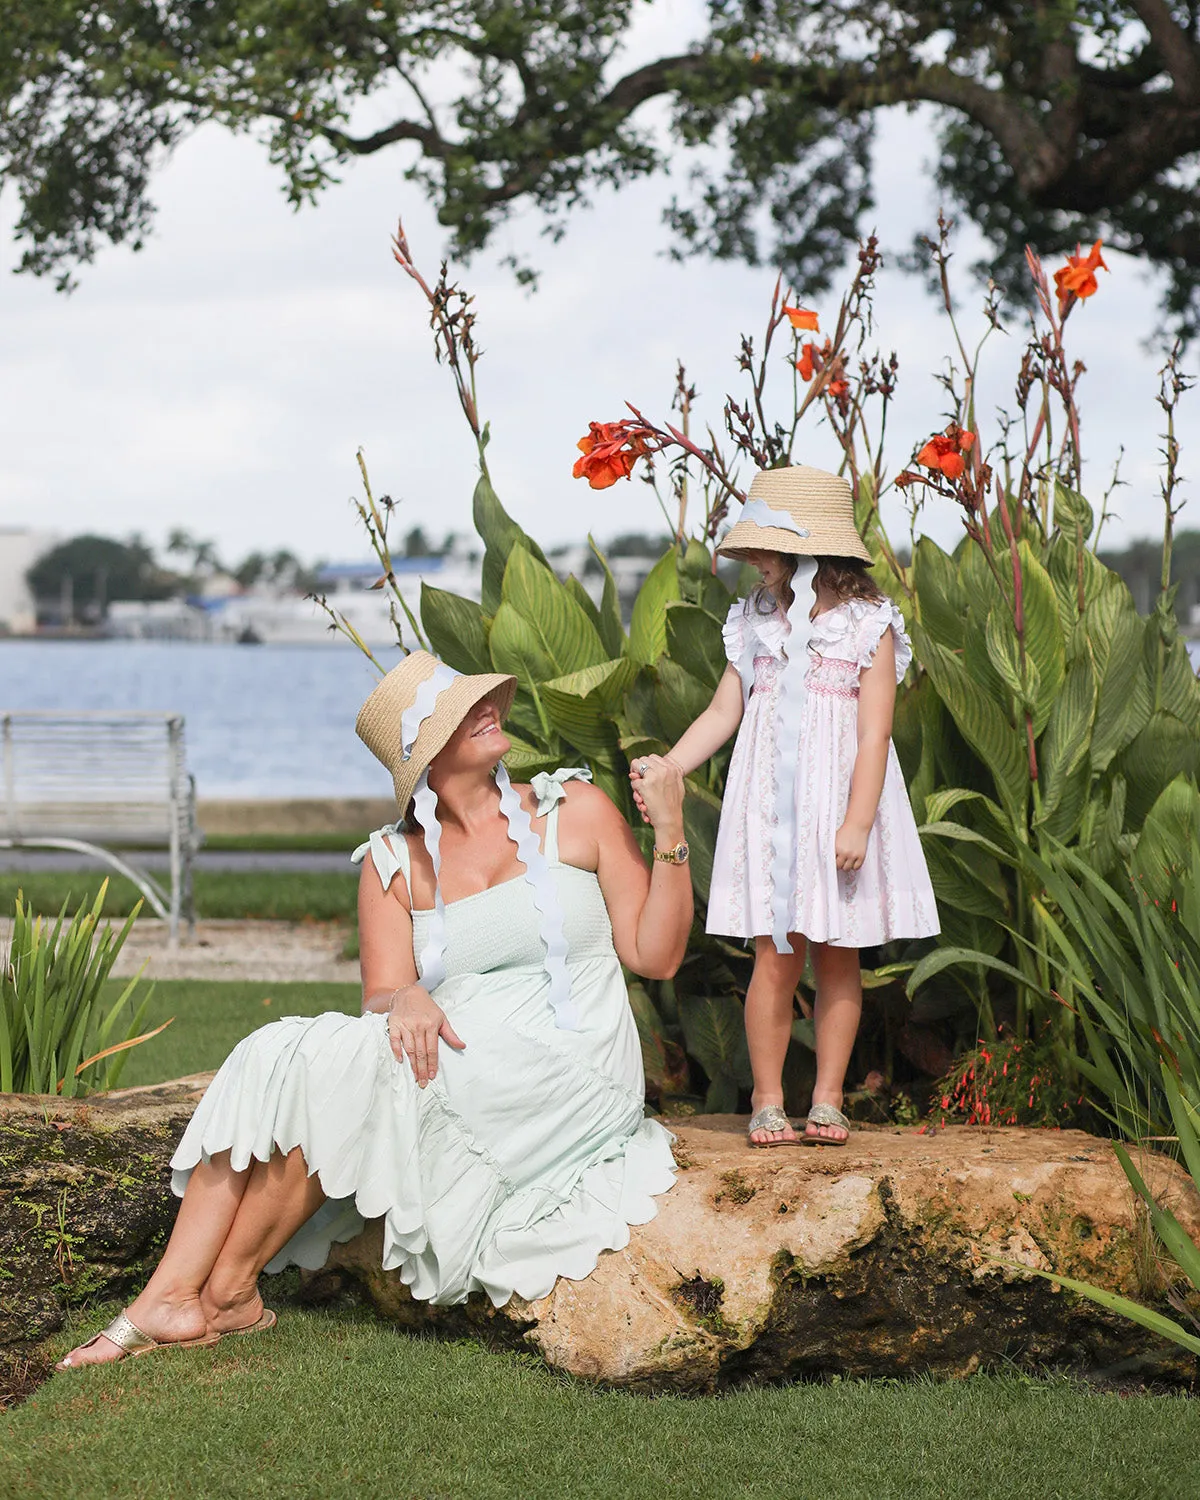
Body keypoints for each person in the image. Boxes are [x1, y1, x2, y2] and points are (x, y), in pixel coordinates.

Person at [58, 651, 691, 1368]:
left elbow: (655, 956)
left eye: (482, 700)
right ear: (428, 756)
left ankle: (194, 1295)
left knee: (349, 1077)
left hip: (572, 1063)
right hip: (459, 1050)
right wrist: (410, 994)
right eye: (461, 712)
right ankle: (209, 1296)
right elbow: (383, 996)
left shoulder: (574, 811)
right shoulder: (394, 861)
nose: (490, 709)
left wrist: (669, 832)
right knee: (282, 1054)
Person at [632, 465, 938, 1148]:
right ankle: (767, 1098)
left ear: (811, 551)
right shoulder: (756, 621)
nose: (757, 565)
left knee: (836, 956)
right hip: (773, 809)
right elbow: (724, 709)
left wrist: (858, 820)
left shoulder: (868, 625)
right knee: (775, 954)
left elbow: (875, 731)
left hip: (837, 810)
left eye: (768, 550)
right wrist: (672, 767)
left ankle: (828, 1097)